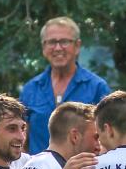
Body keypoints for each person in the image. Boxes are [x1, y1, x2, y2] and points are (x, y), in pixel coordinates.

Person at [19, 16, 110, 154]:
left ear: (77, 46)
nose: (57, 48)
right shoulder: (31, 89)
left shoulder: (97, 87)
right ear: (44, 47)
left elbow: (108, 138)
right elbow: (22, 139)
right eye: (51, 42)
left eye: (64, 41)